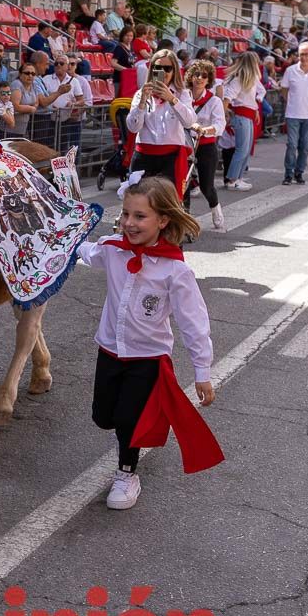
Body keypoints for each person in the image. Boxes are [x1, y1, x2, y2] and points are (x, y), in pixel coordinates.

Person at [74, 176, 220, 509]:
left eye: (140, 217)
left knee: (128, 419)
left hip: (148, 358)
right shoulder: (113, 250)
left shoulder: (174, 270)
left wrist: (202, 371)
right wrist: (63, 239)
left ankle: (127, 473)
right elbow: (86, 252)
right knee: (103, 416)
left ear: (163, 220)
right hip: (110, 350)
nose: (129, 223)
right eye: (126, 214)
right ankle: (134, 434)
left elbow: (193, 322)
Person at [127, 49, 196, 198]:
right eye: (158, 67)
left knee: (169, 203)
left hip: (170, 157)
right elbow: (133, 127)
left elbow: (189, 122)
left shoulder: (181, 94)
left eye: (167, 68)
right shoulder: (141, 93)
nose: (163, 72)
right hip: (144, 155)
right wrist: (141, 103)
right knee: (140, 200)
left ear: (174, 71)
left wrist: (172, 100)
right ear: (152, 70)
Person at [185, 59, 226, 231]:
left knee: (206, 186)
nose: (200, 78)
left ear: (209, 80)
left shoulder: (214, 101)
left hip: (206, 145)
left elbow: (220, 125)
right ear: (191, 77)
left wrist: (205, 130)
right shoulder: (183, 96)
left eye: (204, 76)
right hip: (185, 145)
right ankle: (184, 218)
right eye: (196, 75)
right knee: (183, 184)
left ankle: (215, 208)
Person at [279, 41, 308, 185]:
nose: (303, 57)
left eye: (306, 54)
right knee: (292, 144)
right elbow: (284, 90)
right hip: (293, 113)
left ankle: (299, 172)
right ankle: (288, 174)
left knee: (306, 145)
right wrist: (292, 101)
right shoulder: (290, 70)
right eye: (301, 55)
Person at [222, 51, 264, 191]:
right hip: (241, 115)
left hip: (247, 115)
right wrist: (225, 114)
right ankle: (233, 179)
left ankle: (237, 178)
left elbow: (255, 95)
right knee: (242, 149)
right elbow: (227, 98)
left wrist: (256, 108)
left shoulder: (248, 78)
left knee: (245, 150)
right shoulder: (239, 79)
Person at [43, 55, 91, 152]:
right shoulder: (46, 79)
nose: (58, 65)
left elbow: (81, 100)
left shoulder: (75, 81)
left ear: (67, 66)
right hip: (48, 119)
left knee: (63, 148)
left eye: (61, 63)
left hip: (66, 120)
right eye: (56, 63)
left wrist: (74, 104)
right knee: (48, 147)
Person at [7, 62, 40, 137]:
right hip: (11, 128)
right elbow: (15, 106)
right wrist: (31, 108)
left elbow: (37, 101)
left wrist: (32, 108)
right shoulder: (16, 84)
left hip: (23, 127)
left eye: (33, 74)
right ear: (20, 74)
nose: (30, 76)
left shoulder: (34, 84)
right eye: (27, 73)